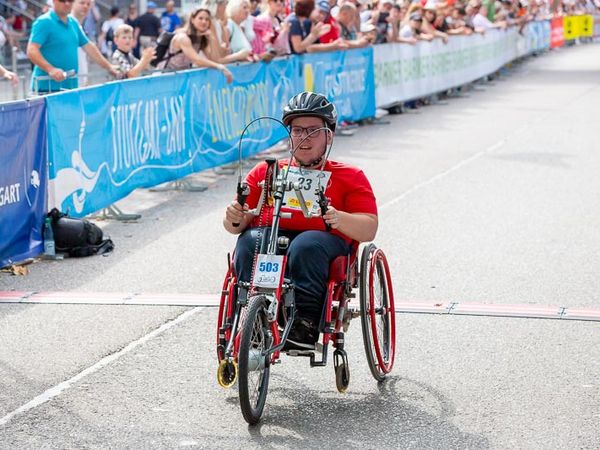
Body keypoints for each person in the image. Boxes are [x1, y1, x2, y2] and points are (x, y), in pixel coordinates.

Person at [223, 92, 378, 349]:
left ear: (329, 135)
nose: (303, 138)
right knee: (250, 240)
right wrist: (234, 217)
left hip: (323, 245)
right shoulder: (267, 171)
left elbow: (369, 227)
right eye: (297, 130)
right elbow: (234, 226)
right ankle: (247, 315)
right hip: (274, 237)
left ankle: (304, 324)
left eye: (313, 131)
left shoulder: (350, 176)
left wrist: (339, 218)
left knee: (306, 244)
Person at [27, 0, 117, 93]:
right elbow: (32, 50)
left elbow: (89, 47)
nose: (67, 3)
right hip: (47, 88)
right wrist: (50, 69)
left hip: (70, 87)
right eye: (62, 0)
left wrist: (109, 67)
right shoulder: (44, 22)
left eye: (70, 0)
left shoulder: (73, 22)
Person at [159, 7, 234, 83]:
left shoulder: (201, 38)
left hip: (180, 79)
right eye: (200, 18)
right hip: (165, 77)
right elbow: (197, 59)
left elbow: (213, 58)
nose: (204, 22)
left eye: (207, 19)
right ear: (192, 20)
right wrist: (220, 67)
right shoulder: (183, 38)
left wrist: (211, 39)